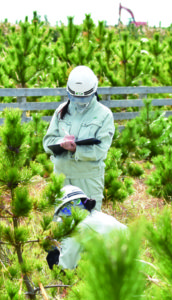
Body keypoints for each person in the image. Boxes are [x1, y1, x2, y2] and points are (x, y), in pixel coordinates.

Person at [43, 65, 115, 211]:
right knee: (64, 224)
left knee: (90, 225)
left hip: (88, 180)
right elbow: (47, 142)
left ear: (94, 91)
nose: (78, 100)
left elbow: (101, 150)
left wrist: (76, 149)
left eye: (83, 97)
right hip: (62, 178)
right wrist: (61, 143)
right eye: (74, 96)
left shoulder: (104, 115)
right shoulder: (61, 111)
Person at [46, 185, 127, 270]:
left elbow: (65, 269)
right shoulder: (101, 216)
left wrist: (53, 253)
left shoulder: (75, 230)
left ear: (64, 211)